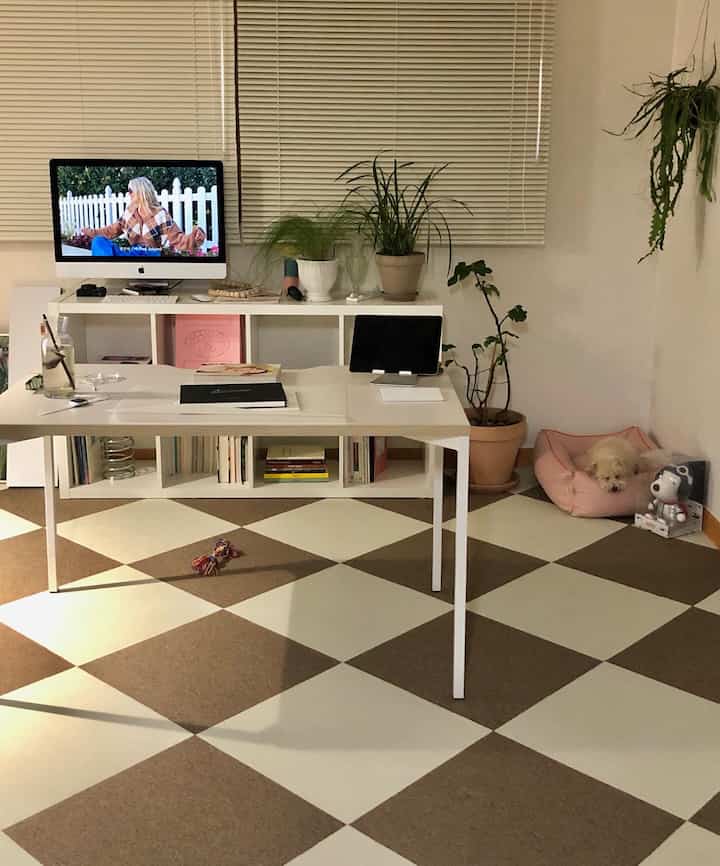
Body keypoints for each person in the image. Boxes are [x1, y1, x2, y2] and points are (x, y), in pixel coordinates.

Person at [80, 176, 206, 257]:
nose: (128, 194)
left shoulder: (160, 214)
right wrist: (92, 232)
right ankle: (108, 268)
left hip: (152, 255)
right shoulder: (129, 212)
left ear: (141, 192)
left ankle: (112, 268)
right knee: (98, 242)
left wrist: (195, 237)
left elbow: (178, 239)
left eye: (130, 191)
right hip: (133, 254)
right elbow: (112, 230)